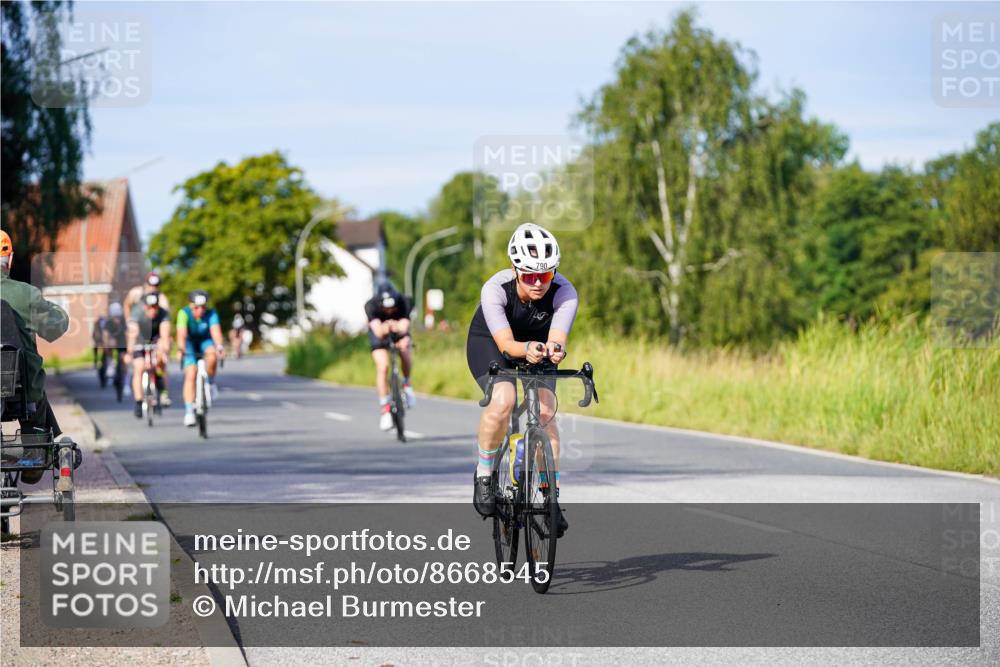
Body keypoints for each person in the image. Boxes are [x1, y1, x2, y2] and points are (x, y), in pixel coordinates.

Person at [466, 222, 577, 534]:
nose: (539, 283)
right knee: (504, 400)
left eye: (546, 275)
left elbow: (557, 337)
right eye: (530, 276)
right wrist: (525, 348)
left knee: (545, 413)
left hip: (536, 346)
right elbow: (505, 345)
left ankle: (548, 496)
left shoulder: (565, 292)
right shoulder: (494, 290)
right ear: (515, 269)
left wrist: (555, 350)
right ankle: (485, 474)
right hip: (493, 343)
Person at [0, 229, 71, 484]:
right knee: (36, 396)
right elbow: (55, 327)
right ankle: (33, 454)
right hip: (22, 390)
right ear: (9, 260)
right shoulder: (24, 294)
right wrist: (60, 313)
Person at [364, 282, 415, 431]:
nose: (390, 310)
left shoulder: (404, 301)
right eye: (386, 308)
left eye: (392, 307)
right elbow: (378, 332)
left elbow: (404, 326)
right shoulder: (371, 306)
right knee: (383, 366)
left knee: (405, 348)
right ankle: (385, 408)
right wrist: (389, 326)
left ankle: (406, 384)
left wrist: (394, 326)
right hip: (379, 336)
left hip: (398, 333)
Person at [175, 290, 225, 427]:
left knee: (212, 354)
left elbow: (216, 332)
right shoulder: (183, 313)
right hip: (189, 343)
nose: (200, 310)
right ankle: (189, 412)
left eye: (203, 307)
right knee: (191, 373)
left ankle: (211, 383)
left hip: (205, 341)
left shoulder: (211, 314)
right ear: (191, 306)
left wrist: (219, 346)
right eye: (197, 307)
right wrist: (181, 350)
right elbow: (181, 334)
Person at [125, 291, 171, 417]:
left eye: (155, 306)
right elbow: (133, 333)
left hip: (156, 339)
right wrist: (129, 351)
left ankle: (162, 391)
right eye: (149, 307)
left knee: (160, 359)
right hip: (140, 340)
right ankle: (138, 402)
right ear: (144, 306)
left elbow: (165, 334)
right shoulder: (137, 312)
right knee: (139, 368)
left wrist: (164, 350)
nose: (152, 310)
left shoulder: (163, 313)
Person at [100, 302, 128, 392]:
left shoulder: (124, 322)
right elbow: (105, 335)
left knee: (124, 361)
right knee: (107, 347)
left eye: (118, 316)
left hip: (122, 341)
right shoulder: (108, 323)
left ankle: (126, 383)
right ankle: (110, 363)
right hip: (112, 341)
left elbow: (128, 334)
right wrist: (107, 344)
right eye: (115, 316)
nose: (117, 318)